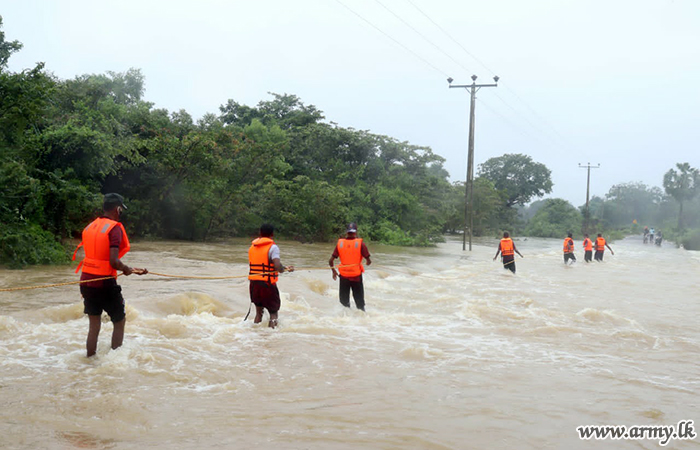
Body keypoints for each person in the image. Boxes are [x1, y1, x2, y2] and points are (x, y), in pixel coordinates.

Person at [73, 193, 148, 357]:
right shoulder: (114, 228)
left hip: (86, 281)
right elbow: (113, 261)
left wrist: (131, 269)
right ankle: (115, 360)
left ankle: (89, 359)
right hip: (104, 283)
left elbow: (100, 258)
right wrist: (126, 269)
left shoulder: (91, 226)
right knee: (119, 321)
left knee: (94, 325)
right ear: (117, 208)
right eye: (121, 210)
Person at [248, 224, 294, 328]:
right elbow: (277, 266)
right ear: (272, 234)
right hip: (267, 284)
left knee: (258, 313)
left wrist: (283, 267)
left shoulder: (252, 247)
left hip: (254, 284)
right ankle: (271, 337)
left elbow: (263, 264)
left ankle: (254, 336)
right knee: (273, 313)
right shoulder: (273, 247)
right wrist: (283, 269)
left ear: (260, 233)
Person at [329, 222, 372, 311]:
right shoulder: (361, 244)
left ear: (346, 232)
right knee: (360, 305)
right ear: (355, 232)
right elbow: (368, 262)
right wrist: (367, 262)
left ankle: (346, 321)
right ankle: (361, 321)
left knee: (344, 305)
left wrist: (333, 271)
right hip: (356, 277)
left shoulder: (340, 244)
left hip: (344, 277)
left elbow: (330, 261)